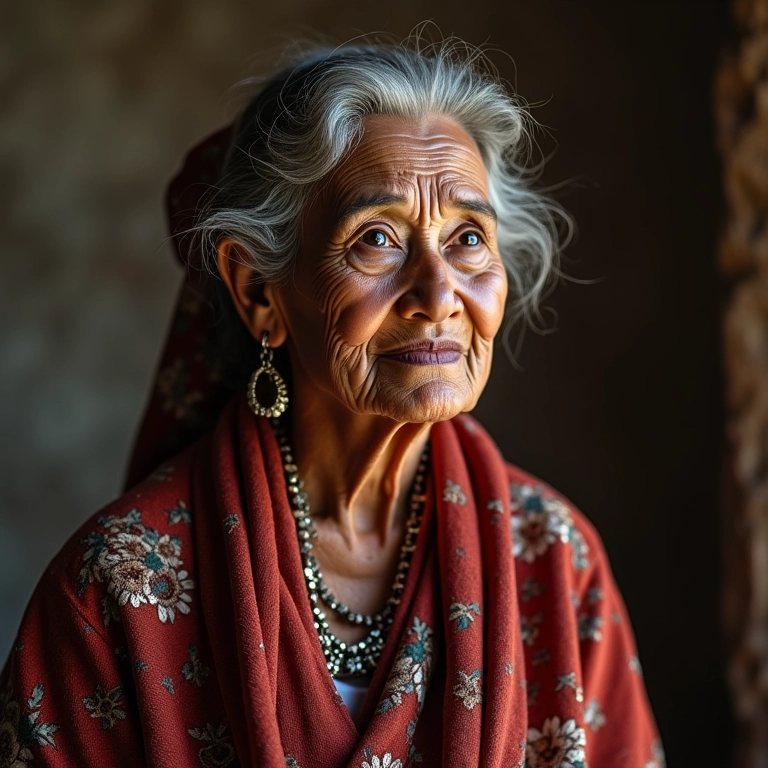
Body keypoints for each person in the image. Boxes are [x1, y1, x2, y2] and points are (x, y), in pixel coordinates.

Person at [0, 38, 663, 768]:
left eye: (468, 238)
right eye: (377, 239)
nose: (440, 296)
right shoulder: (118, 588)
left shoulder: (555, 562)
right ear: (259, 291)